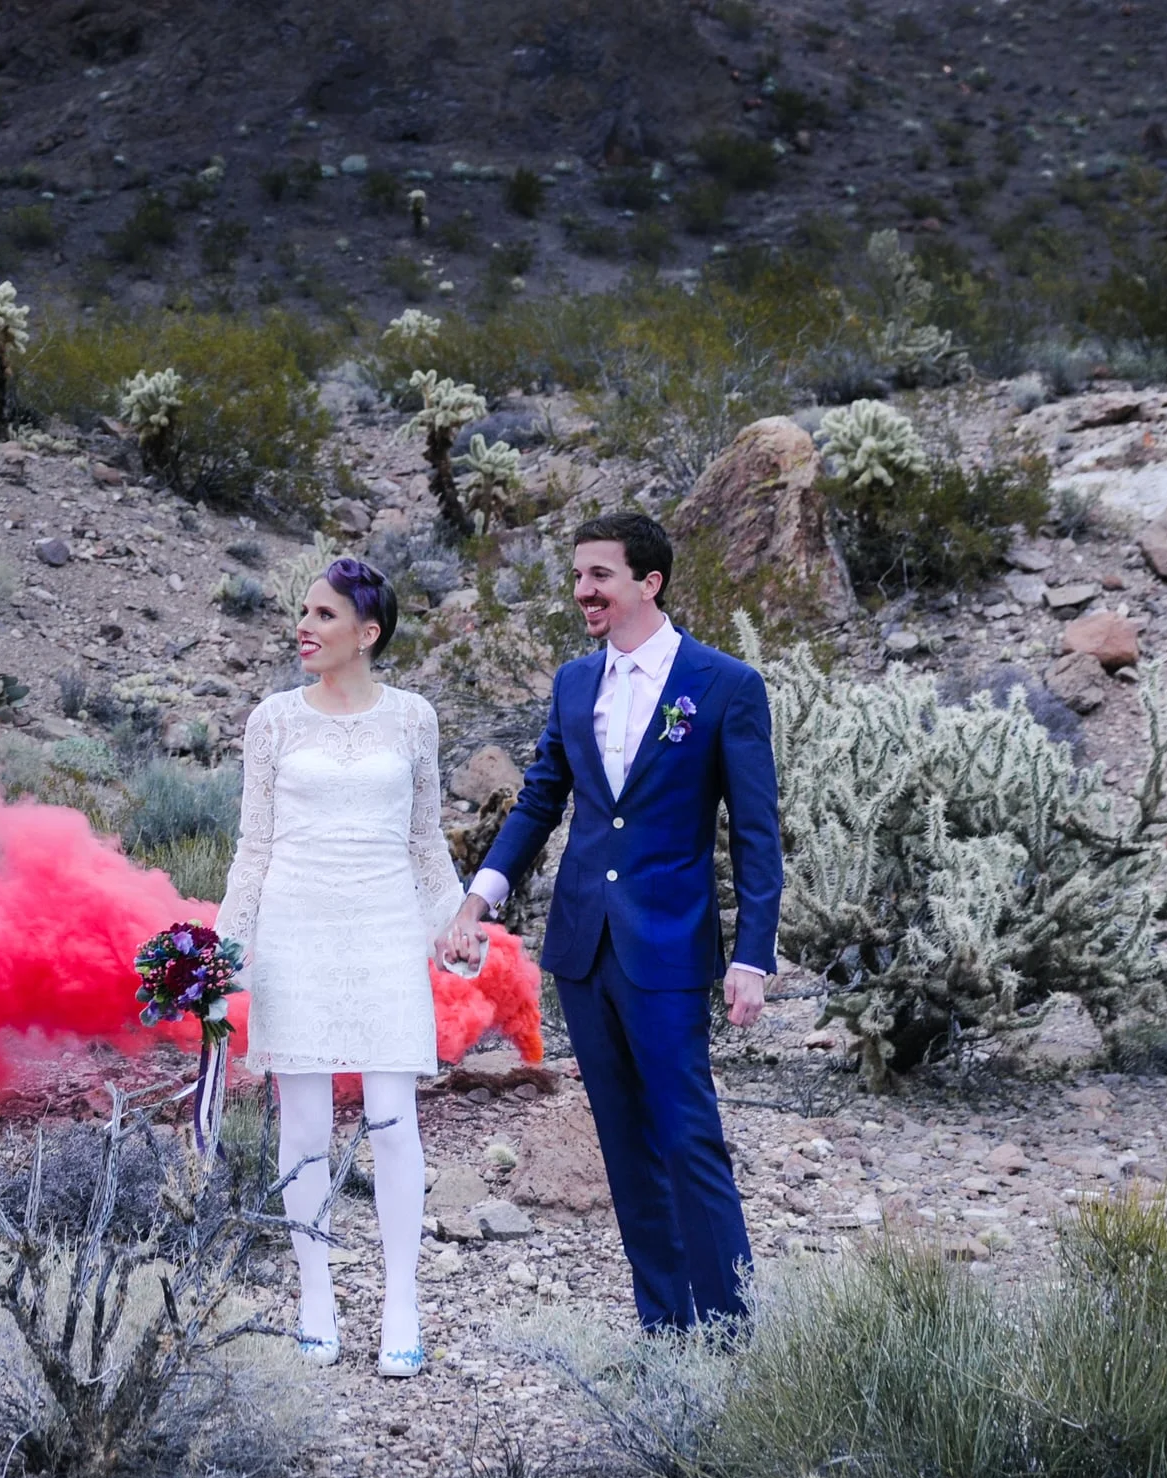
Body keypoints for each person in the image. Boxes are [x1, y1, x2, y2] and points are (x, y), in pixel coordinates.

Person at [438, 512, 780, 1332]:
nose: (583, 591)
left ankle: (734, 1336)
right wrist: (477, 899)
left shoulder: (725, 684)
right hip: (584, 948)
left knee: (689, 1138)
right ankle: (665, 1333)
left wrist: (753, 955)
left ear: (648, 583)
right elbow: (539, 799)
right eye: (579, 576)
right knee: (625, 1149)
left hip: (668, 947)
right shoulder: (572, 682)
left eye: (599, 576)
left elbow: (757, 832)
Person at [215, 557, 464, 1377]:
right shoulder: (273, 721)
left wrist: (453, 923)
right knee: (307, 1122)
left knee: (394, 1116)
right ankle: (314, 1295)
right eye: (303, 612)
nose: (306, 627)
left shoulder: (414, 719)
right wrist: (226, 943)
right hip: (296, 927)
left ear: (369, 633)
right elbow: (253, 844)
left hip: (387, 925)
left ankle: (402, 1302)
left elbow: (426, 839)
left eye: (324, 615)